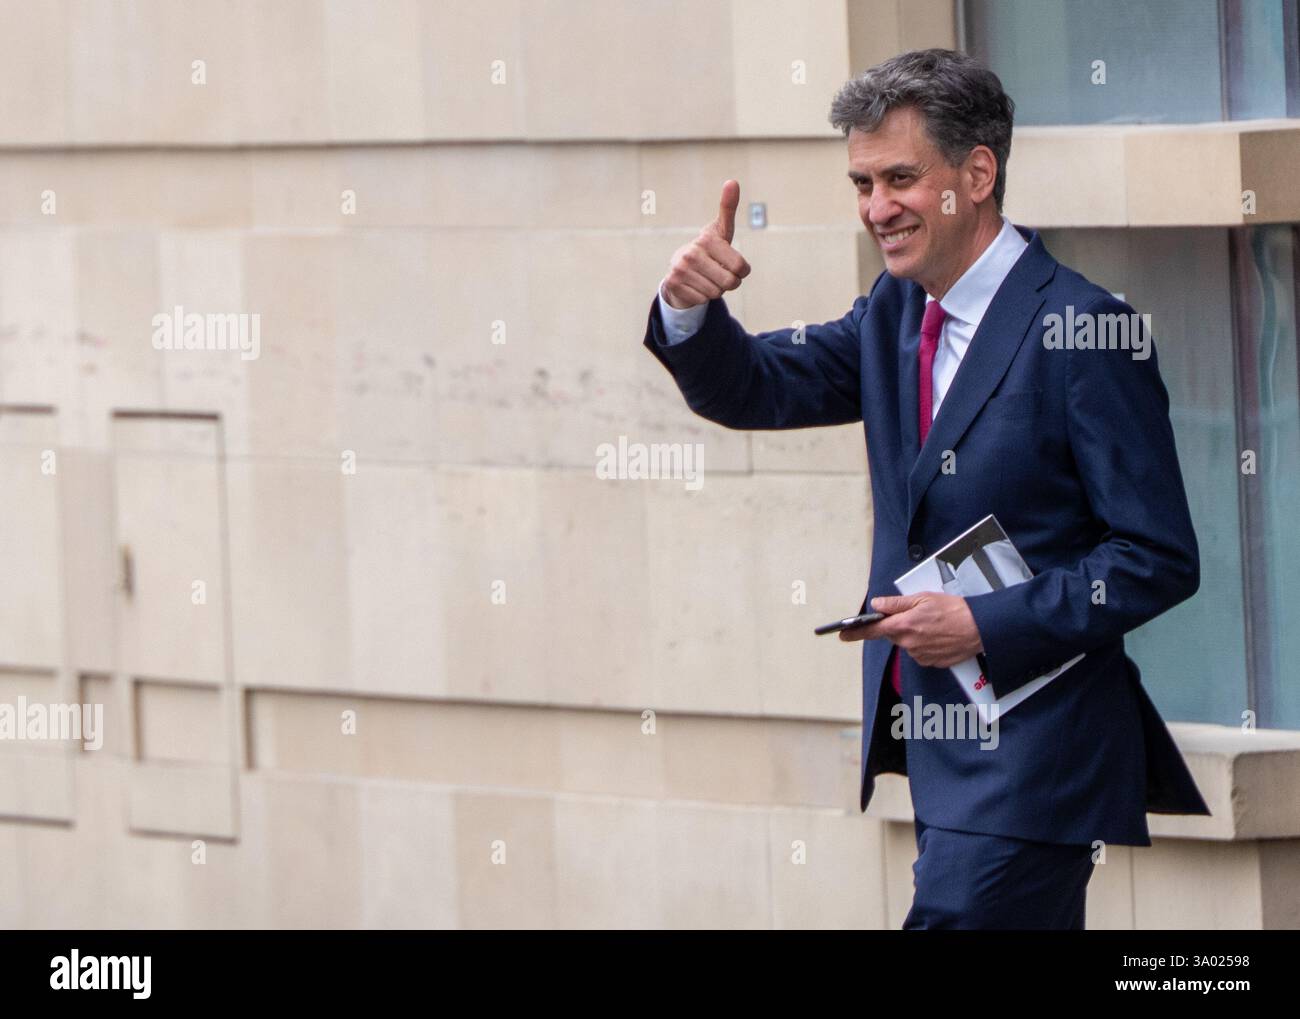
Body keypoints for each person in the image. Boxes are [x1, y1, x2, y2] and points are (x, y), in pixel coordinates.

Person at [641, 48, 1209, 930]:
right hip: (942, 750)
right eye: (862, 182)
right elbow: (753, 387)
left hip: (1041, 758)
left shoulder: (1084, 327)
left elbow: (1158, 557)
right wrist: (690, 310)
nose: (876, 208)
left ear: (976, 174)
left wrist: (985, 621)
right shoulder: (893, 312)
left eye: (900, 177)